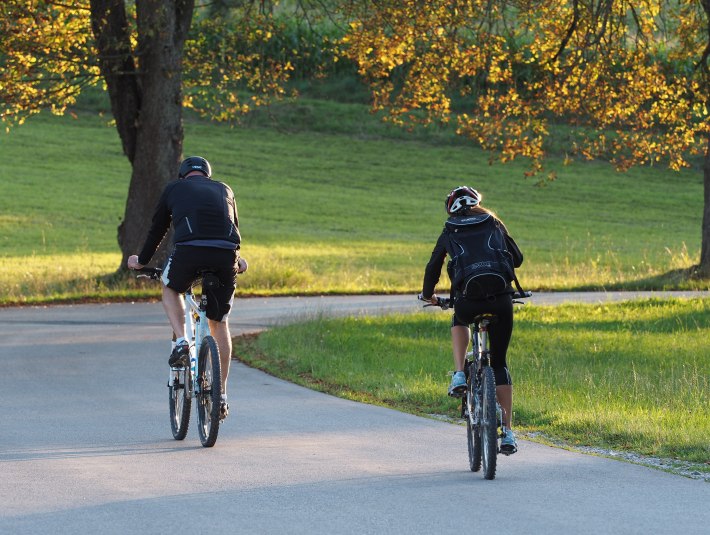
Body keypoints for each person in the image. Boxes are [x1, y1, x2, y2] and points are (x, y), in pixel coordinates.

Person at [127, 156, 247, 421]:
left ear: (183, 176)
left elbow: (157, 230)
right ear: (207, 175)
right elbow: (232, 226)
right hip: (226, 255)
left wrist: (142, 261)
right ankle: (222, 396)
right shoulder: (224, 189)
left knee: (170, 288)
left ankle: (182, 341)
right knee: (220, 324)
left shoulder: (174, 188)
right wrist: (238, 259)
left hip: (189, 251)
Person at [420, 185, 523, 453]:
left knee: (459, 319)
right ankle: (508, 432)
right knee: (499, 363)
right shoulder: (493, 222)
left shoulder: (450, 229)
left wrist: (428, 295)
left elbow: (434, 266)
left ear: (450, 208)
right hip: (501, 299)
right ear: (477, 202)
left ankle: (458, 375)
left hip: (468, 301)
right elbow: (518, 259)